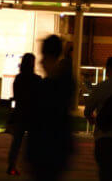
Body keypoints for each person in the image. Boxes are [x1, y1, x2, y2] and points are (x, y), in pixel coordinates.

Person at [26, 35, 76, 181]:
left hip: (46, 150)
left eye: (44, 57)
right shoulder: (64, 83)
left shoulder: (50, 86)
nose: (41, 62)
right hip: (56, 150)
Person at [6, 53, 41, 176]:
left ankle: (12, 164)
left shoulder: (19, 78)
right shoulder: (37, 79)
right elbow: (39, 98)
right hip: (33, 114)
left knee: (17, 141)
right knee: (34, 141)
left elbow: (16, 96)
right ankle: (33, 166)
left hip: (21, 113)